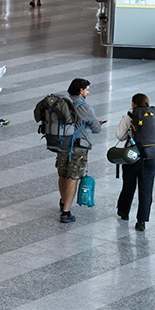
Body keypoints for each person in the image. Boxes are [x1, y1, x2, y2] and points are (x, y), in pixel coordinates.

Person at [57, 78, 104, 224]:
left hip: (61, 144)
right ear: (81, 90)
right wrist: (95, 123)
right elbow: (96, 129)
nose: (88, 92)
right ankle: (66, 212)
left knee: (63, 174)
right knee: (73, 177)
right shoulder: (85, 107)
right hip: (78, 147)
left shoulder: (62, 103)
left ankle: (63, 201)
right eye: (87, 89)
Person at [116, 93, 155, 232]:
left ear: (133, 103)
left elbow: (120, 137)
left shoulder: (129, 116)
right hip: (151, 157)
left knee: (129, 184)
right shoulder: (153, 114)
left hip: (132, 156)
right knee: (146, 189)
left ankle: (124, 212)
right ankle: (141, 221)